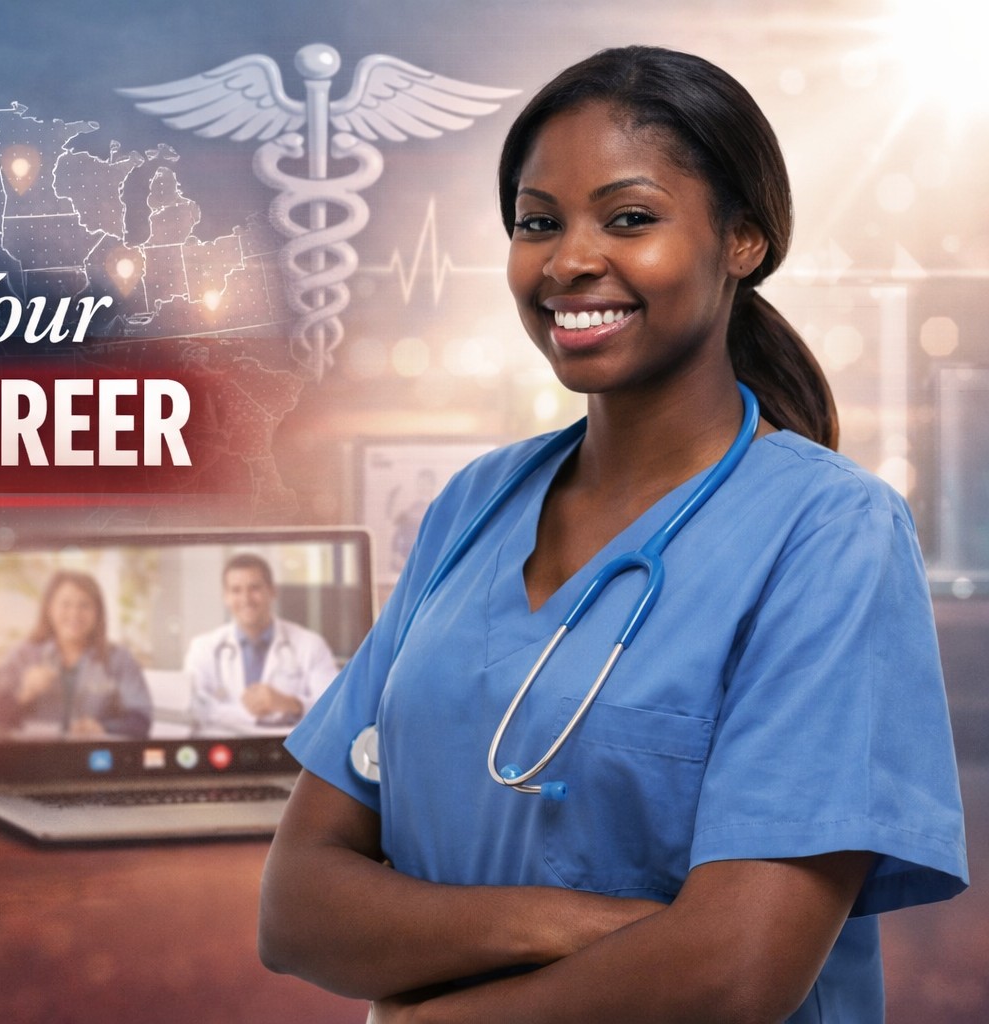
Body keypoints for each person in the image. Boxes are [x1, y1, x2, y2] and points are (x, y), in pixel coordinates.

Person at [258, 46, 968, 1024]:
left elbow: (736, 974)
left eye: (629, 218)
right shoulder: (474, 506)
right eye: (537, 222)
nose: (568, 261)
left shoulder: (831, 531)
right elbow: (297, 906)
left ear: (743, 240)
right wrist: (568, 923)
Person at [185, 553, 338, 735]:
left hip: (287, 749)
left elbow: (335, 706)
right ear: (225, 597)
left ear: (272, 591)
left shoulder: (310, 644)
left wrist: (291, 704)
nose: (246, 599)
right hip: (225, 748)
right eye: (236, 590)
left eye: (254, 588)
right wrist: (253, 717)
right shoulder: (203, 647)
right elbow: (194, 705)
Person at [0, 570, 153, 740]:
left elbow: (141, 721)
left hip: (95, 752)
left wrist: (103, 728)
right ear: (49, 608)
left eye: (85, 605)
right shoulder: (23, 655)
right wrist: (24, 694)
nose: (74, 613)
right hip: (37, 752)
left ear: (98, 612)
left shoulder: (119, 659)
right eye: (65, 604)